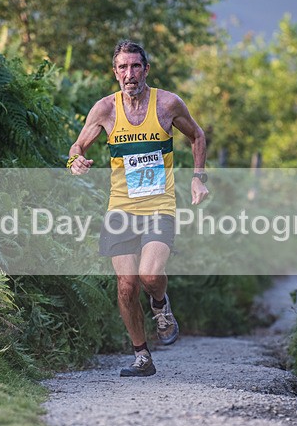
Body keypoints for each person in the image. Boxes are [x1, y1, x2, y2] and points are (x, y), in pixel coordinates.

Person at [67, 39, 209, 377]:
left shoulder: (168, 104)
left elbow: (198, 136)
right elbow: (77, 145)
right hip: (120, 208)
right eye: (123, 67)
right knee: (126, 285)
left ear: (145, 69)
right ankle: (142, 356)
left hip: (160, 205)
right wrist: (75, 160)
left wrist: (198, 178)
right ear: (114, 72)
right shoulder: (105, 109)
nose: (129, 74)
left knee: (148, 276)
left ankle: (160, 305)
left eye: (135, 66)